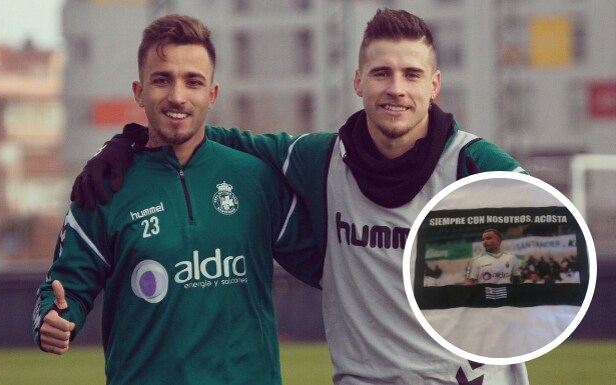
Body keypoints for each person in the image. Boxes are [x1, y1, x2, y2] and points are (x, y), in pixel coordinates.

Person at [71, 9, 531, 384]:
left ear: (433, 86)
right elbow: (215, 138)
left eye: (412, 74)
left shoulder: (473, 165)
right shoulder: (322, 158)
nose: (396, 88)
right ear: (358, 81)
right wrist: (127, 143)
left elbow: (548, 242)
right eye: (381, 73)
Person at [32, 14, 319, 385]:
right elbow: (64, 288)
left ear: (212, 94)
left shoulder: (255, 179)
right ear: (139, 91)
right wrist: (52, 319)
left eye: (193, 81)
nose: (177, 96)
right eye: (162, 79)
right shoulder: (104, 186)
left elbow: (330, 265)